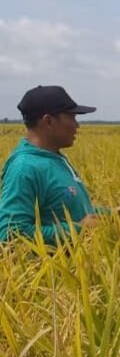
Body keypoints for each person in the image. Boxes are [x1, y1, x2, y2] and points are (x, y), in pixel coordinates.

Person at [0, 85, 104, 245]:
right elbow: (11, 234)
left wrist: (114, 214)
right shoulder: (24, 168)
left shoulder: (55, 159)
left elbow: (75, 211)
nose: (77, 125)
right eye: (72, 117)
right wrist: (78, 229)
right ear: (49, 121)